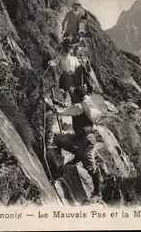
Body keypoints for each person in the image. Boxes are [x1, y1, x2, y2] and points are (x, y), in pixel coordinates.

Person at [46, 43, 101, 202]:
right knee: (61, 139)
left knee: (90, 166)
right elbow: (74, 108)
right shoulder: (87, 103)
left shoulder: (78, 106)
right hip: (84, 137)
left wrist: (49, 102)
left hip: (85, 140)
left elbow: (60, 112)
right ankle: (78, 155)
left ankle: (97, 193)